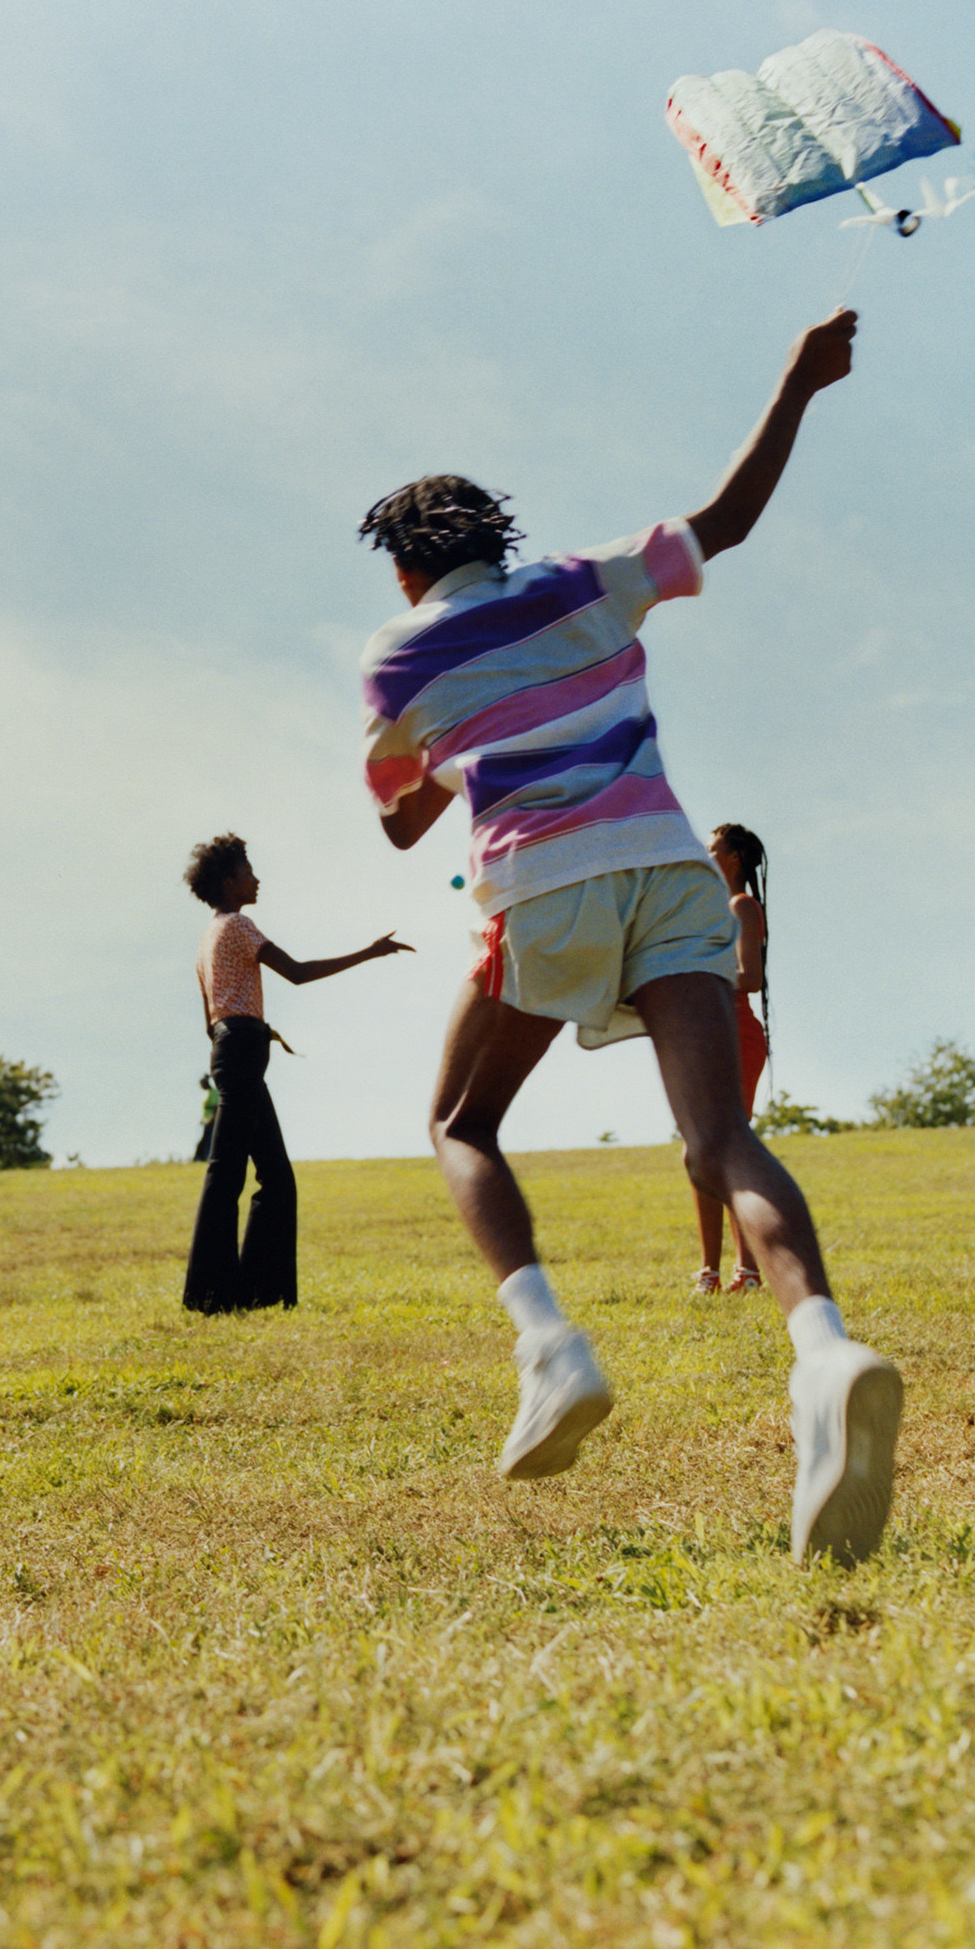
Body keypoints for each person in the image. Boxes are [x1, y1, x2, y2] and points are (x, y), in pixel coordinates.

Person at [357, 309, 904, 1567]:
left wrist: (461, 740)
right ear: (498, 537)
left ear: (400, 570)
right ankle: (824, 1349)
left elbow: (397, 827)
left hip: (543, 884)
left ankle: (551, 1349)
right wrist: (799, 378)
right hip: (671, 868)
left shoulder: (397, 658)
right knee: (720, 1138)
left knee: (462, 1125)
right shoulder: (582, 582)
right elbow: (729, 518)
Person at [179, 833, 414, 1313]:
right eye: (248, 871)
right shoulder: (239, 925)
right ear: (229, 881)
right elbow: (299, 972)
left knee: (272, 1178)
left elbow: (209, 1015)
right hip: (242, 1051)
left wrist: (239, 1043)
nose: (256, 878)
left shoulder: (208, 936)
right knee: (231, 1175)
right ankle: (212, 1298)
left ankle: (256, 1296)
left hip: (233, 1050)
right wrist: (369, 953)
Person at [688, 821, 772, 1295]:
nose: (705, 851)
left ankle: (748, 1272)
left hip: (735, 1035)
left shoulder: (742, 906)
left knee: (728, 1150)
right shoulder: (709, 909)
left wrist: (696, 975)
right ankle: (711, 1273)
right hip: (705, 1033)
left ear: (734, 857)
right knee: (698, 1152)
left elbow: (750, 976)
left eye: (713, 847)